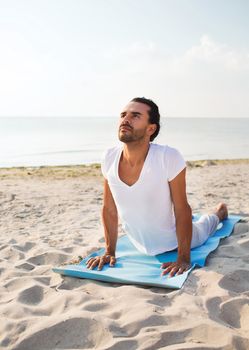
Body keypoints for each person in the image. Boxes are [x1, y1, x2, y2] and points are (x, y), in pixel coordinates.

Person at [86, 97, 228, 277]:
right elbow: (109, 208)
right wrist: (109, 252)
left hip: (174, 241)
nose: (125, 119)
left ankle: (219, 213)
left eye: (135, 116)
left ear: (151, 128)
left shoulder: (168, 157)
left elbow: (181, 208)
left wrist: (183, 258)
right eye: (123, 115)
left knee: (205, 226)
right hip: (139, 244)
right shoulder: (109, 157)